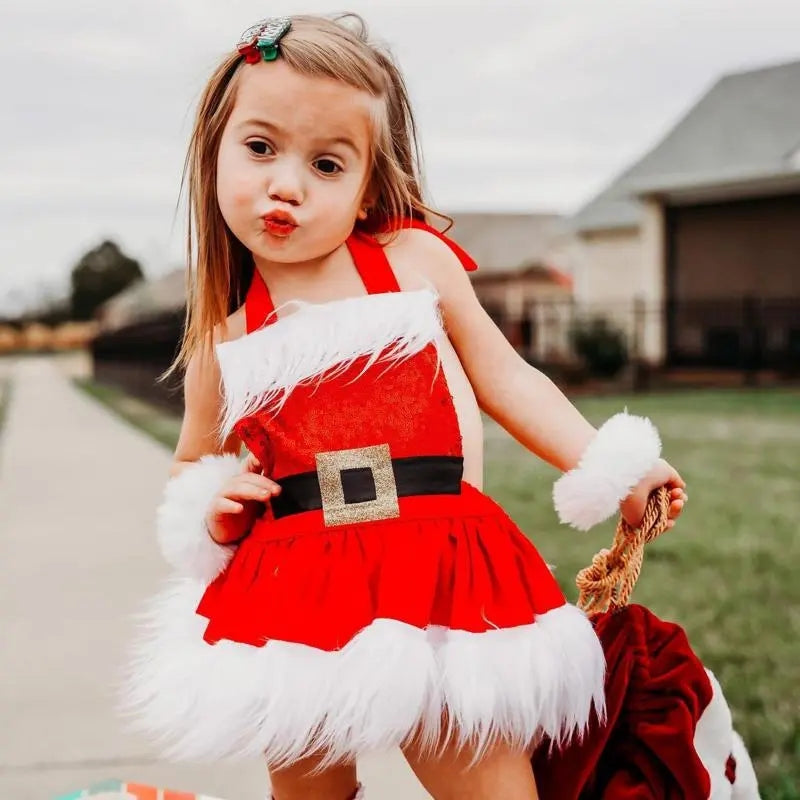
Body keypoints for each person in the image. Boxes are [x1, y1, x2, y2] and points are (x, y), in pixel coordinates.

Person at [120, 13, 687, 800]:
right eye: (259, 148)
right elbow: (194, 460)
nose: (287, 183)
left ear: (364, 194)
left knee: (489, 787)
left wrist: (611, 463)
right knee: (309, 791)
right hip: (296, 585)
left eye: (326, 164)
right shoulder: (228, 336)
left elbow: (508, 378)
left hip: (437, 568)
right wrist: (212, 502)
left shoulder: (409, 263)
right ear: (213, 152)